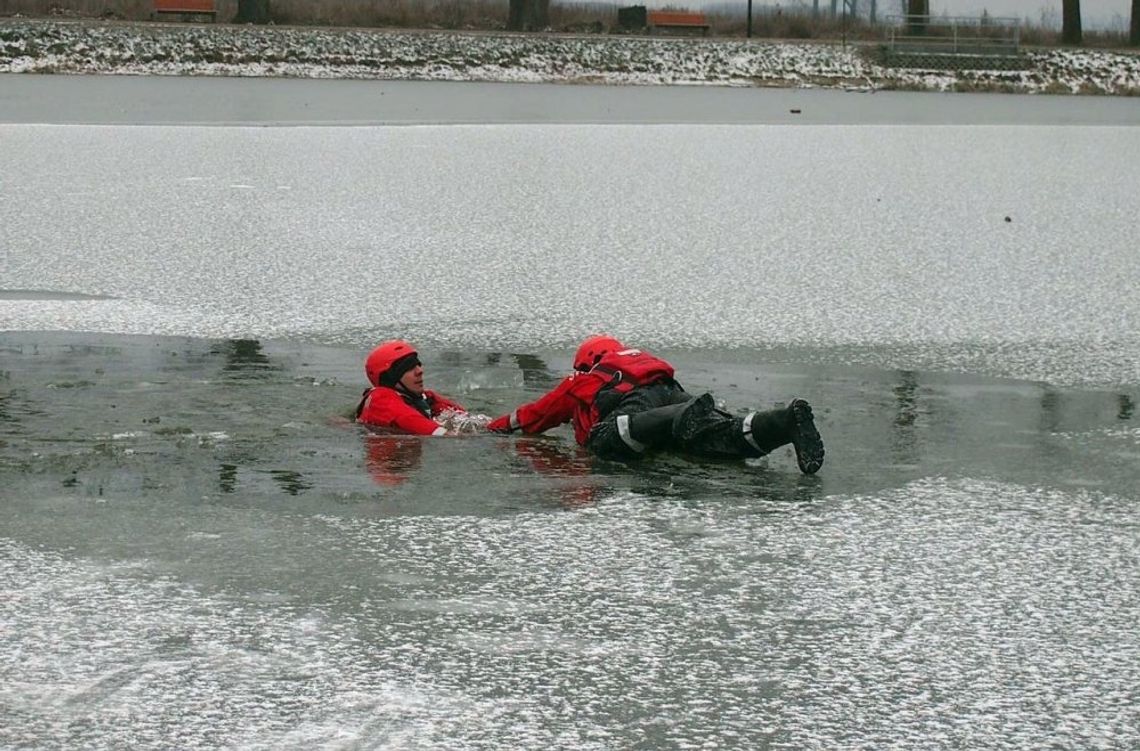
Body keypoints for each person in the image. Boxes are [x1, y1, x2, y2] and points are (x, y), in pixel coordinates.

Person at [487, 335, 825, 474]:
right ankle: (784, 422)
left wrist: (489, 427)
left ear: (587, 362)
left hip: (641, 407)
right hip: (677, 396)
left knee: (603, 439)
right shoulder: (642, 363)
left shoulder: (586, 378)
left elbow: (535, 415)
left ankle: (676, 418)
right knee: (723, 438)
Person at [355, 339, 467, 436]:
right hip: (393, 457)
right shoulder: (381, 399)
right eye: (409, 367)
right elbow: (409, 419)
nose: (420, 371)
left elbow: (466, 419)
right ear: (389, 378)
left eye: (418, 365)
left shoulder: (422, 397)